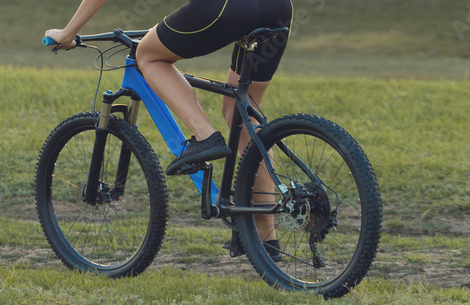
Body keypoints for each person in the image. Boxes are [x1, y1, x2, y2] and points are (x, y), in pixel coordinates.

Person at [45, 0, 291, 261]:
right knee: (240, 113)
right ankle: (266, 241)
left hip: (226, 6)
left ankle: (205, 136)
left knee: (148, 56)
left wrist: (67, 33)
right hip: (278, 8)